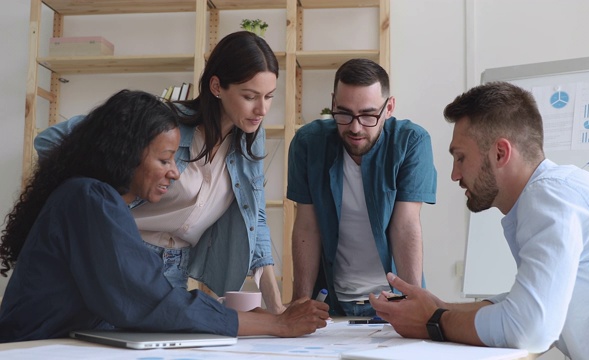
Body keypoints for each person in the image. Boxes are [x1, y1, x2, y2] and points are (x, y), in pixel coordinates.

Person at [0, 90, 329, 342]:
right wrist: (275, 323)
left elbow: (148, 299)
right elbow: (151, 302)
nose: (174, 173)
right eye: (165, 159)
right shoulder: (90, 200)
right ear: (126, 152)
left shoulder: (95, 200)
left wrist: (251, 315)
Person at [370, 82, 589, 359]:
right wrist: (438, 306)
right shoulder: (556, 190)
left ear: (500, 153)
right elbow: (523, 303)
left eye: (461, 158)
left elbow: (532, 327)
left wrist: (433, 322)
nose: (454, 174)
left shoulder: (550, 196)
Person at [34, 31, 286, 314]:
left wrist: (277, 308)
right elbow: (48, 141)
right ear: (217, 86)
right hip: (120, 253)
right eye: (250, 96)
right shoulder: (165, 123)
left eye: (269, 96)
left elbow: (256, 217)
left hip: (175, 267)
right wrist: (94, 204)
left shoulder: (250, 138)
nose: (261, 109)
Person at [287, 58, 437, 316]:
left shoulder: (411, 142)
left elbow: (406, 226)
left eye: (368, 115)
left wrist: (414, 303)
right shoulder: (308, 143)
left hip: (392, 301)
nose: (355, 128)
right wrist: (300, 301)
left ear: (388, 108)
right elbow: (307, 226)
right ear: (333, 103)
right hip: (329, 300)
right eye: (344, 113)